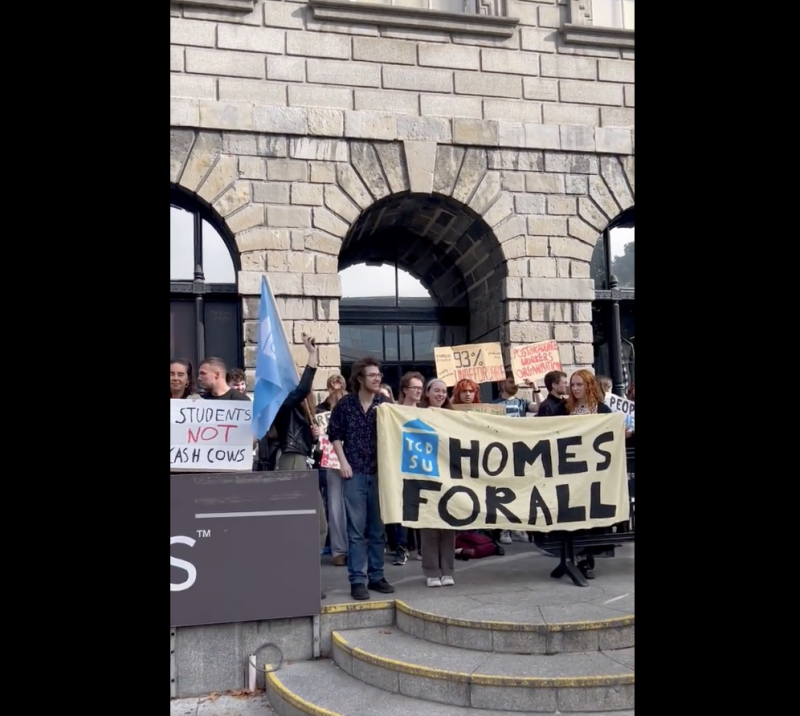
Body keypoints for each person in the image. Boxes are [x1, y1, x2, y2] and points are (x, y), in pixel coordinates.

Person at [328, 357, 395, 601]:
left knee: (378, 529)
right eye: (372, 375)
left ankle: (377, 576)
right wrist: (343, 462)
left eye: (379, 375)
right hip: (354, 472)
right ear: (359, 378)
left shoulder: (385, 404)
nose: (377, 378)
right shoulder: (346, 405)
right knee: (356, 531)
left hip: (379, 473)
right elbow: (334, 434)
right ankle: (358, 580)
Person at [272, 334, 326, 597]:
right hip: (291, 461)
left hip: (300, 459)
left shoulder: (302, 415)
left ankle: (304, 577)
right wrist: (312, 358)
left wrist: (311, 438)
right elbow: (303, 388)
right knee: (303, 524)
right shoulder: (284, 405)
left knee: (318, 525)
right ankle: (299, 580)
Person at [419, 378, 456, 587]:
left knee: (449, 523)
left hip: (449, 475)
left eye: (444, 391)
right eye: (436, 391)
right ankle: (432, 571)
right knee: (429, 523)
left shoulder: (453, 417)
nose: (441, 394)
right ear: (427, 393)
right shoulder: (419, 414)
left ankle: (448, 570)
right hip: (426, 474)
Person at [389, 371, 426, 562]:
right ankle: (401, 547)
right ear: (405, 390)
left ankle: (420, 548)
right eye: (415, 388)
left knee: (420, 508)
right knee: (402, 509)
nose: (419, 391)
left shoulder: (426, 413)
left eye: (421, 388)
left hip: (421, 466)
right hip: (400, 466)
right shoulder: (394, 412)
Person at [316, 380, 348, 567]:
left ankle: (343, 550)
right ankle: (340, 550)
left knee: (341, 509)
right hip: (332, 464)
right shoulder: (323, 416)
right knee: (337, 509)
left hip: (349, 463)